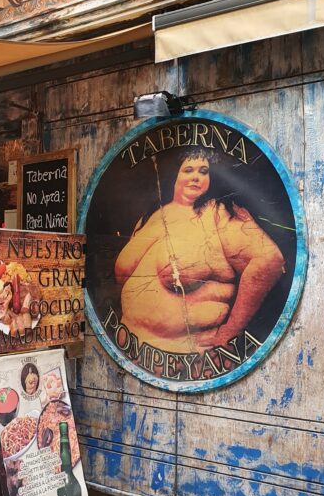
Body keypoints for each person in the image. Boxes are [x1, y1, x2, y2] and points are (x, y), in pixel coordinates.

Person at [114, 149, 285, 353]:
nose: (196, 177)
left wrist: (228, 333)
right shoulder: (150, 216)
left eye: (204, 171)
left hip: (183, 358)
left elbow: (270, 260)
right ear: (175, 175)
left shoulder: (217, 213)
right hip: (129, 351)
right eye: (188, 170)